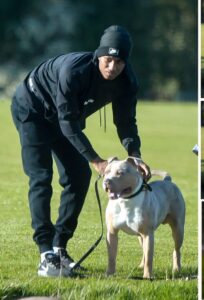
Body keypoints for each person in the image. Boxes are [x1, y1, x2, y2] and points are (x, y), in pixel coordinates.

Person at [11, 25, 150, 277]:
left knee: (79, 176)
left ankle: (59, 246)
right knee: (41, 177)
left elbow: (126, 122)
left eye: (119, 62)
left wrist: (135, 154)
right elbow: (67, 123)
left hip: (66, 119)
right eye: (108, 60)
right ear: (99, 56)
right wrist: (96, 160)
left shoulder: (127, 81)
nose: (112, 67)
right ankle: (46, 254)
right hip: (31, 109)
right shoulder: (73, 71)